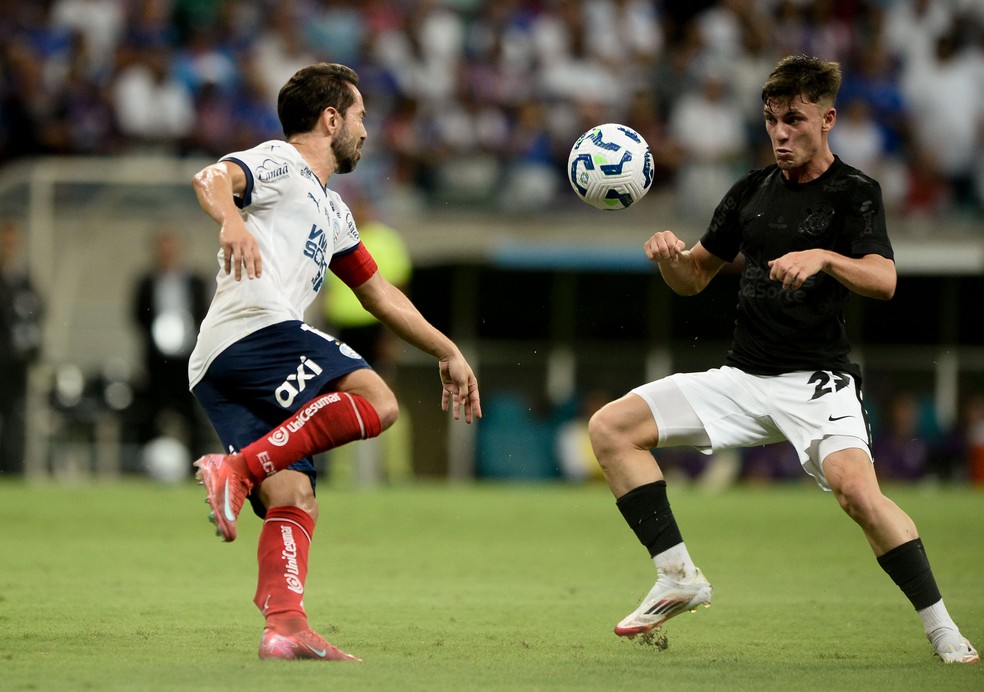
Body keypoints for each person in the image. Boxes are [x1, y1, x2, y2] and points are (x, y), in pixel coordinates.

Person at [587, 55, 979, 664]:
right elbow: (693, 278)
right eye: (771, 119)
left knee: (859, 495)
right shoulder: (749, 191)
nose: (779, 132)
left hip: (817, 384)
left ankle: (942, 630)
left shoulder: (855, 193)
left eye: (793, 119)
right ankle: (678, 577)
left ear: (826, 119)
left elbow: (884, 279)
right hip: (743, 377)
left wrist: (823, 256)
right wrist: (670, 257)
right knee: (610, 428)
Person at [188, 62, 481, 662]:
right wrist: (233, 221)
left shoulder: (336, 210)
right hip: (257, 328)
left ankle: (286, 628)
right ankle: (238, 470)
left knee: (293, 493)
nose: (366, 132)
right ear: (331, 119)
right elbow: (211, 176)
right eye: (360, 117)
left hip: (219, 362)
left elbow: (377, 294)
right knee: (379, 401)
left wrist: (447, 351)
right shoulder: (283, 162)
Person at [132, 228, 210, 461]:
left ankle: (196, 464)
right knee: (151, 411)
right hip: (156, 361)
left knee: (192, 414)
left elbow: (204, 313)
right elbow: (138, 314)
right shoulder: (146, 282)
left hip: (188, 359)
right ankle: (146, 461)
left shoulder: (195, 281)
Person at [0, 219, 43, 475]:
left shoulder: (23, 279)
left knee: (16, 417)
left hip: (15, 362)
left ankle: (12, 469)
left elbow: (37, 310)